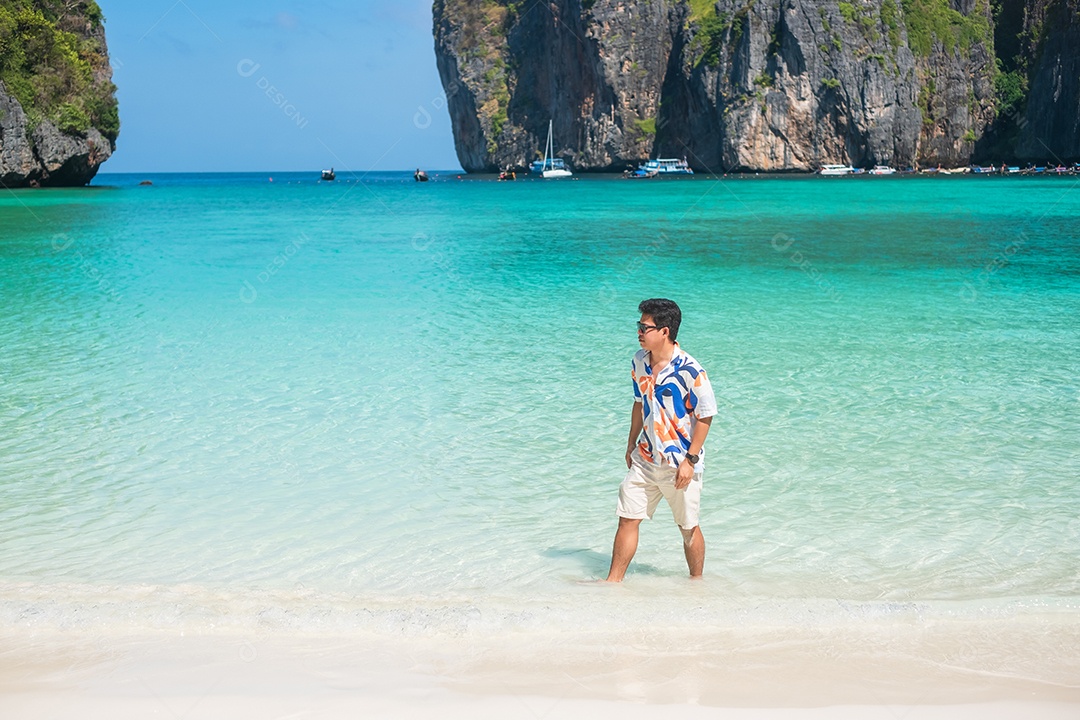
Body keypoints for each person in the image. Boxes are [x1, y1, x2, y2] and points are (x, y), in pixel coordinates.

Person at [605, 298, 717, 582]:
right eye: (639, 326)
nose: (639, 331)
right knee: (628, 517)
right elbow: (638, 403)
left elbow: (705, 416)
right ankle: (612, 583)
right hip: (645, 456)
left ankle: (697, 584)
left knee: (688, 527)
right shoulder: (639, 361)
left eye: (645, 327)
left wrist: (690, 460)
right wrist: (631, 443)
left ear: (665, 331)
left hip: (679, 460)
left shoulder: (691, 370)